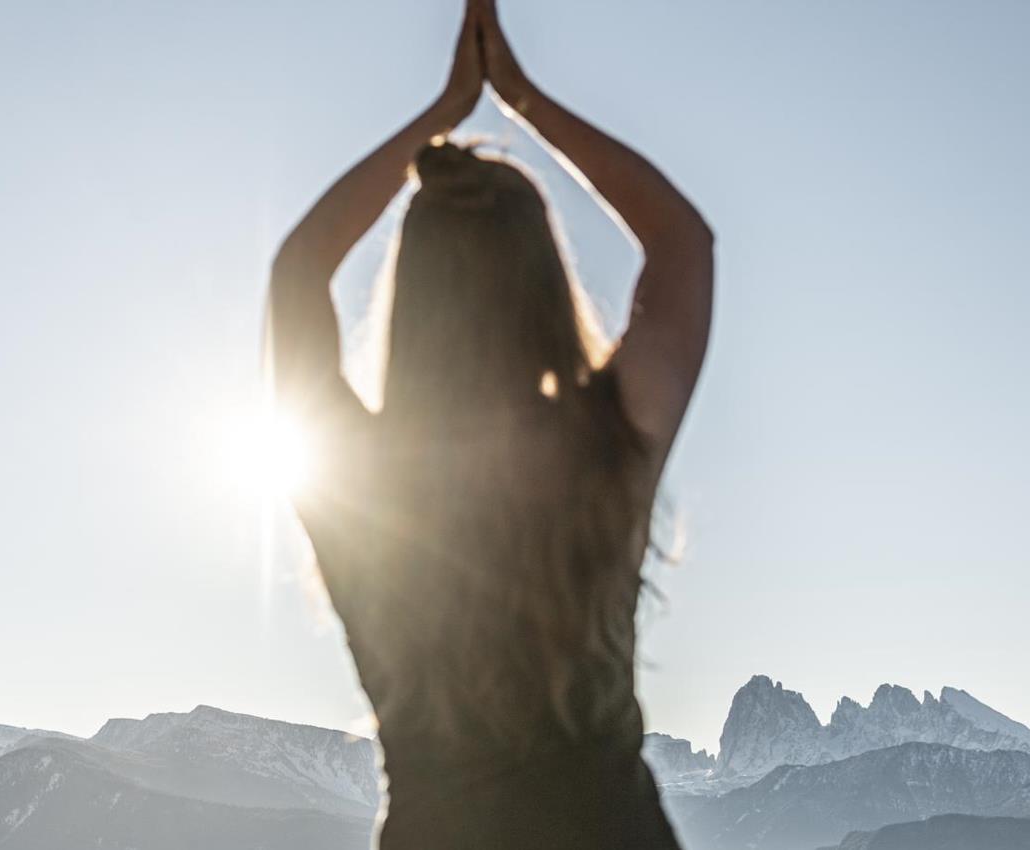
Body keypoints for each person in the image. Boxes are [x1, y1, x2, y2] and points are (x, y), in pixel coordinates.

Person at [268, 0, 713, 846]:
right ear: (545, 284)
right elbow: (681, 243)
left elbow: (298, 270)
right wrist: (516, 96)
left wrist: (438, 116)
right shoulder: (605, 447)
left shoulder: (358, 478)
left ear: (412, 299)